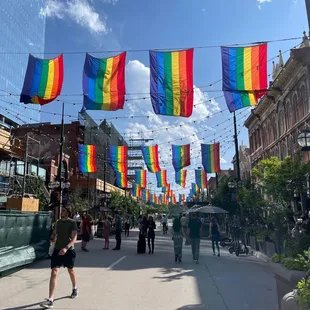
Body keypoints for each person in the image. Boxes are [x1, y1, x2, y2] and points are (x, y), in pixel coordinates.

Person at [40, 206, 78, 309]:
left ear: (68, 212)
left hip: (68, 250)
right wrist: (52, 238)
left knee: (70, 270)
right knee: (54, 272)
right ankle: (50, 300)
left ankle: (75, 288)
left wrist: (66, 248)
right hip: (57, 250)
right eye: (62, 211)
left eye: (64, 211)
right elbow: (55, 233)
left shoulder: (72, 223)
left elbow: (74, 237)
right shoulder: (58, 222)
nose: (62, 212)